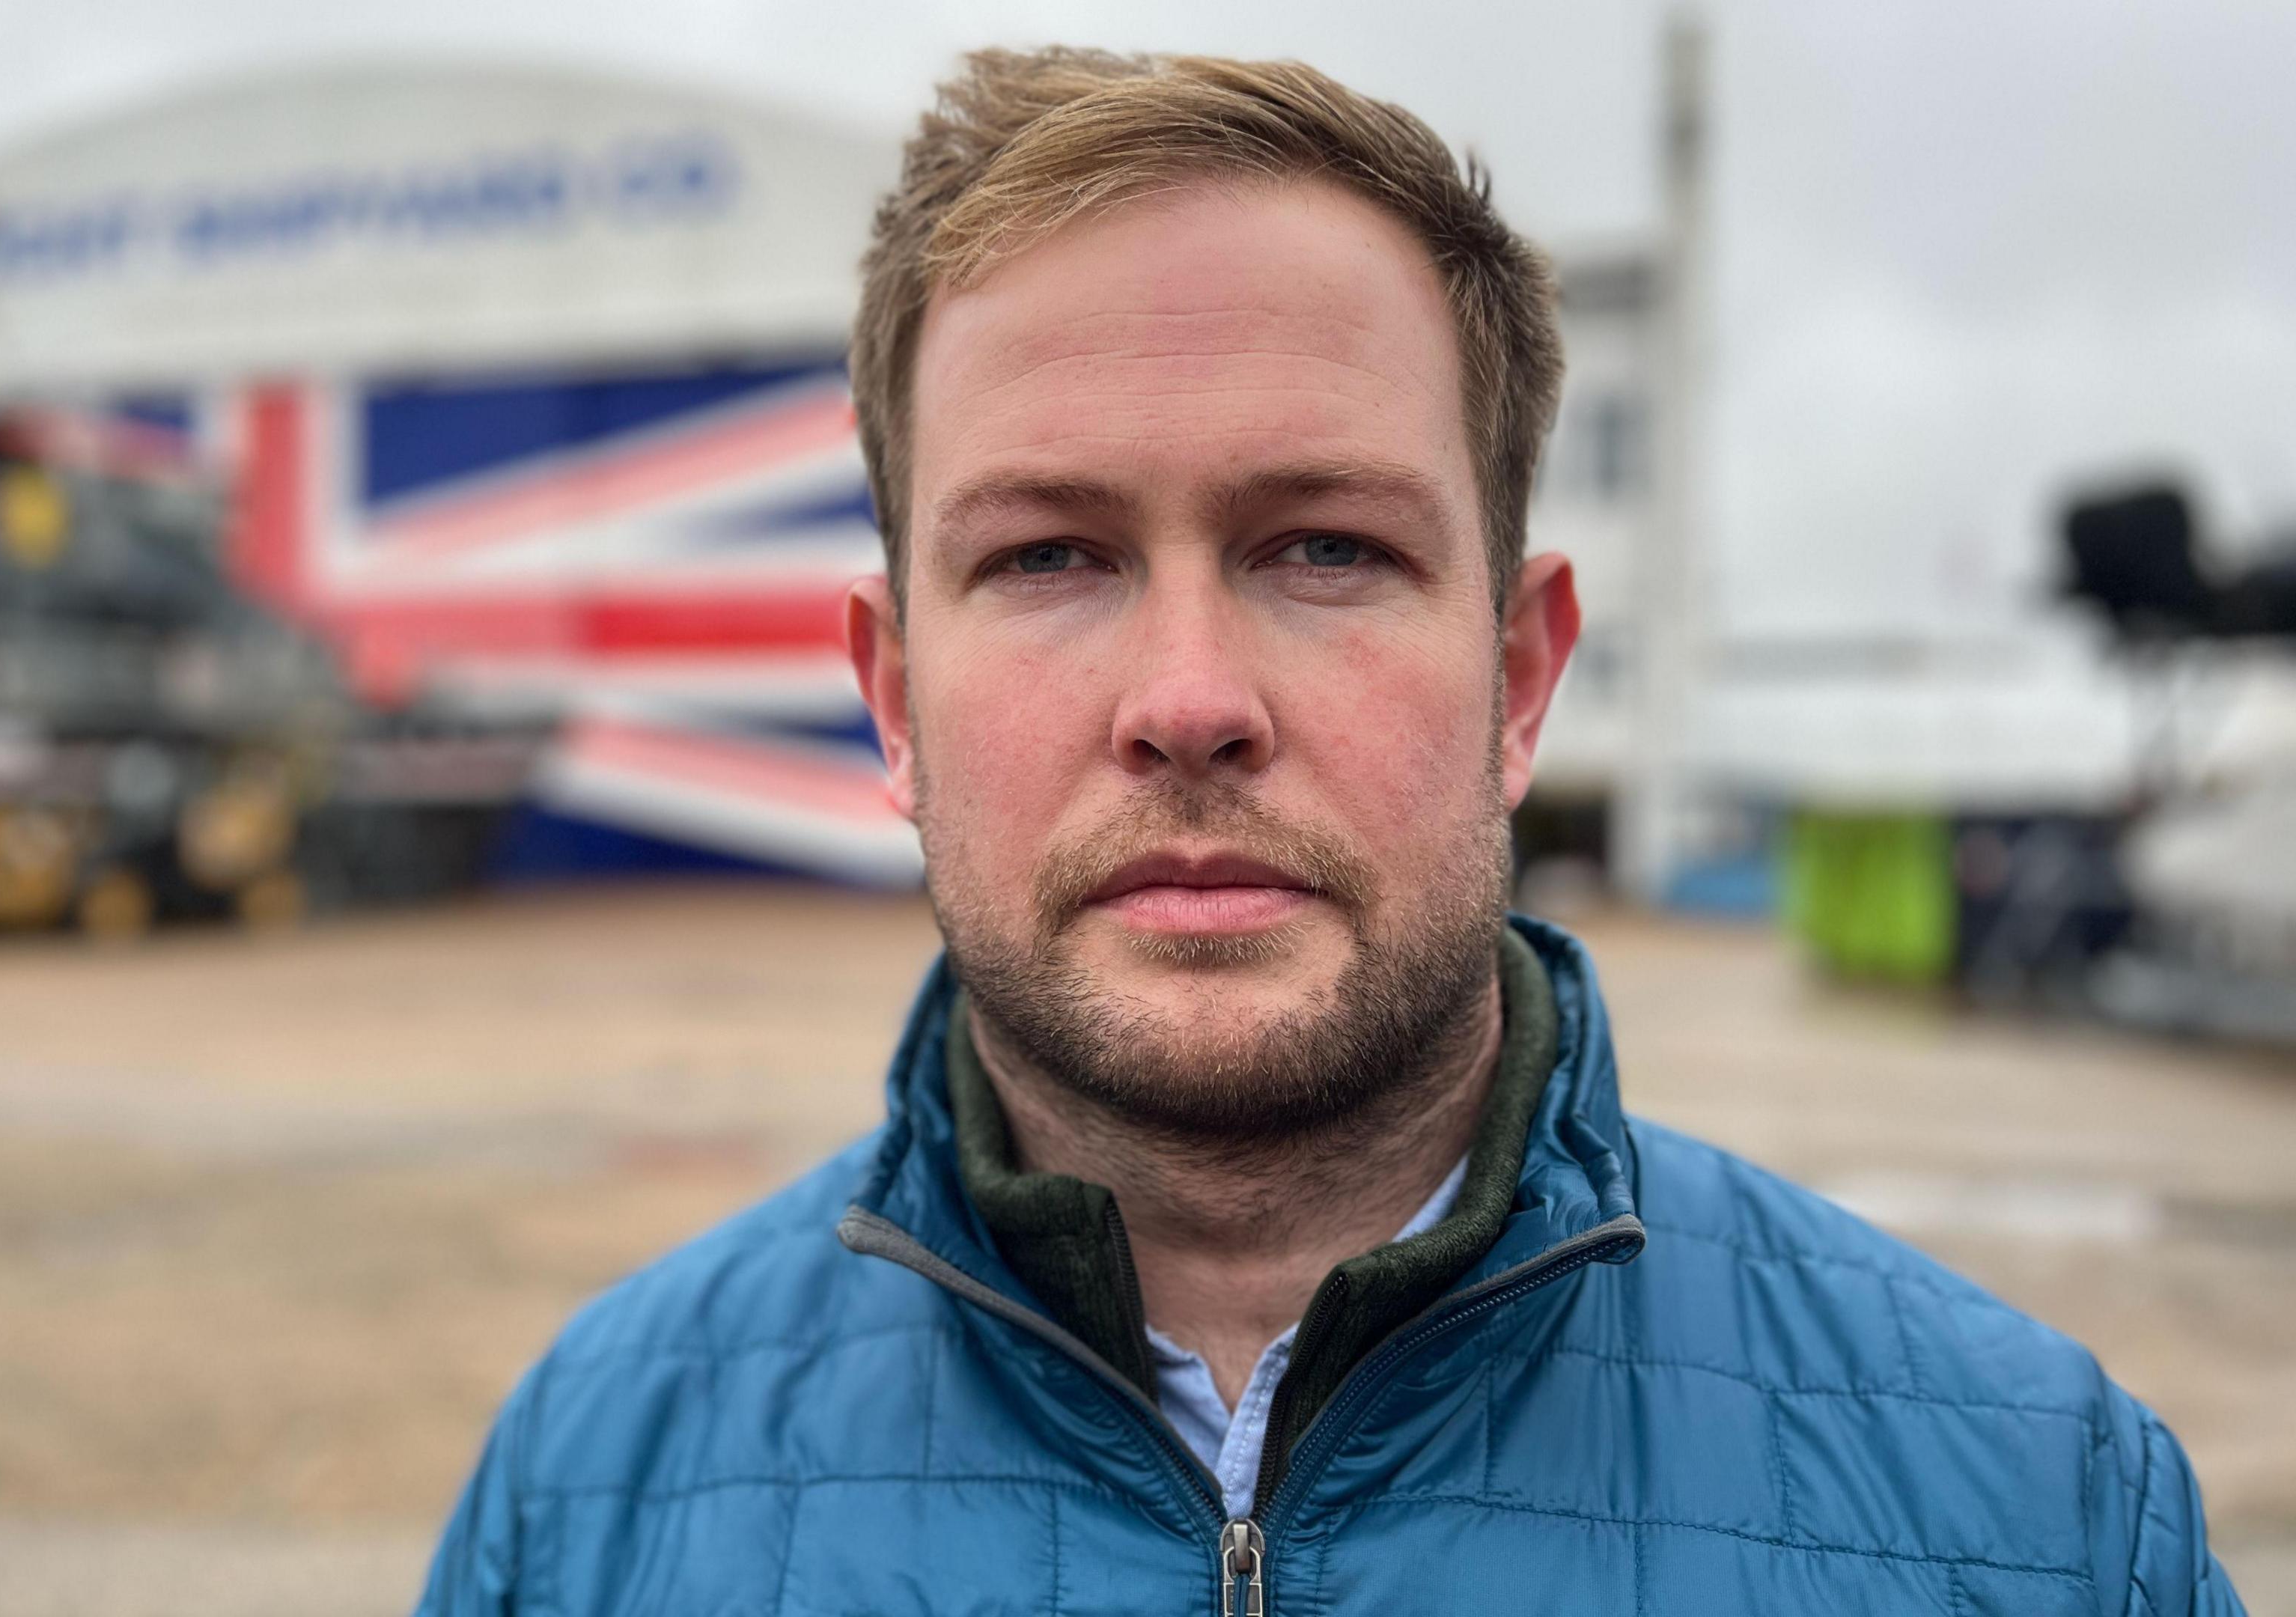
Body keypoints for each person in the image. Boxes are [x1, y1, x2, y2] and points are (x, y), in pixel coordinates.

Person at [419, 47, 2242, 1614]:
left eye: (1327, 550)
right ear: (895, 701)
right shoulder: (588, 1496)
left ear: (1522, 678)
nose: (1192, 696)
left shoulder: (2042, 1519)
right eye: (1050, 555)